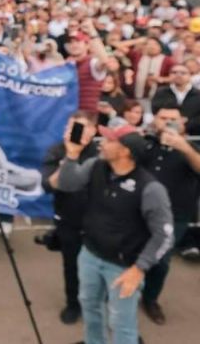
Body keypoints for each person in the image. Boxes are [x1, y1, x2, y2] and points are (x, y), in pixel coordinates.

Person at [53, 124, 174, 344]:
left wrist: (139, 269)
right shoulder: (95, 166)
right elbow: (67, 184)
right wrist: (71, 154)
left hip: (124, 267)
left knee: (121, 323)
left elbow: (165, 235)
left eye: (109, 140)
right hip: (89, 255)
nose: (101, 142)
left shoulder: (151, 189)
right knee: (89, 306)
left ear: (125, 151)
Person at [139, 106, 200, 324]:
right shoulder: (144, 143)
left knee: (161, 261)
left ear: (183, 122)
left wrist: (185, 148)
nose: (168, 122)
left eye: (173, 119)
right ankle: (127, 291)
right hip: (137, 213)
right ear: (155, 120)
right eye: (163, 118)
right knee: (131, 254)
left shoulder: (192, 146)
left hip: (174, 216)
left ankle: (150, 299)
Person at [40, 111, 99, 325]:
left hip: (100, 222)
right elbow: (49, 185)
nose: (75, 133)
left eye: (81, 128)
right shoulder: (56, 151)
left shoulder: (103, 152)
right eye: (71, 127)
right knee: (71, 265)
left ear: (93, 131)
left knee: (101, 267)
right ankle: (73, 304)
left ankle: (98, 305)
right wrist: (70, 156)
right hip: (69, 219)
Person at [150, 64, 200, 135]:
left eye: (183, 73)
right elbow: (156, 111)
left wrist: (186, 124)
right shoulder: (161, 92)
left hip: (194, 134)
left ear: (190, 76)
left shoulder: (198, 94)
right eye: (174, 72)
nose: (178, 75)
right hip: (165, 133)